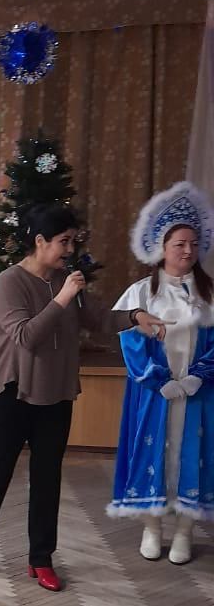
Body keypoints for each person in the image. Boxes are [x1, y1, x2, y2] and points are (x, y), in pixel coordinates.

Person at [0, 204, 161, 592]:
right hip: (9, 393)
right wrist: (63, 297)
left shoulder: (67, 280)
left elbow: (100, 318)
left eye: (73, 241)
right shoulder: (10, 282)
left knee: (47, 477)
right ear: (40, 241)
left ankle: (41, 559)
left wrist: (135, 317)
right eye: (63, 241)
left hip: (55, 393)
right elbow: (26, 337)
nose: (70, 249)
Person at [108, 182, 214, 564]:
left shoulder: (209, 294)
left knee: (193, 457)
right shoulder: (141, 293)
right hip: (153, 395)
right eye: (179, 244)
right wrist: (159, 380)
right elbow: (130, 342)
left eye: (193, 244)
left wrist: (200, 374)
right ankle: (152, 528)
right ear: (161, 247)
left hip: (199, 393)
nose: (188, 251)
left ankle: (184, 532)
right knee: (153, 453)